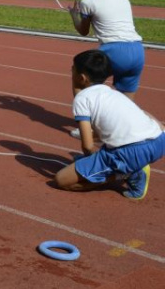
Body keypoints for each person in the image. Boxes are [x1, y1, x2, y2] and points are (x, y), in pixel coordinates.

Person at [55, 50, 164, 200]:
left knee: (62, 180)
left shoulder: (82, 100)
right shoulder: (112, 93)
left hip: (131, 152)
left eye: (72, 69)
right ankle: (130, 165)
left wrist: (90, 163)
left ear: (81, 77)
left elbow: (87, 146)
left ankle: (127, 173)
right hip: (158, 141)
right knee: (104, 138)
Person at [68, 0, 144, 98]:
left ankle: (82, 111)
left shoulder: (89, 1)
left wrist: (74, 15)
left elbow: (83, 31)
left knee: (79, 73)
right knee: (126, 100)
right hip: (137, 51)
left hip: (113, 51)